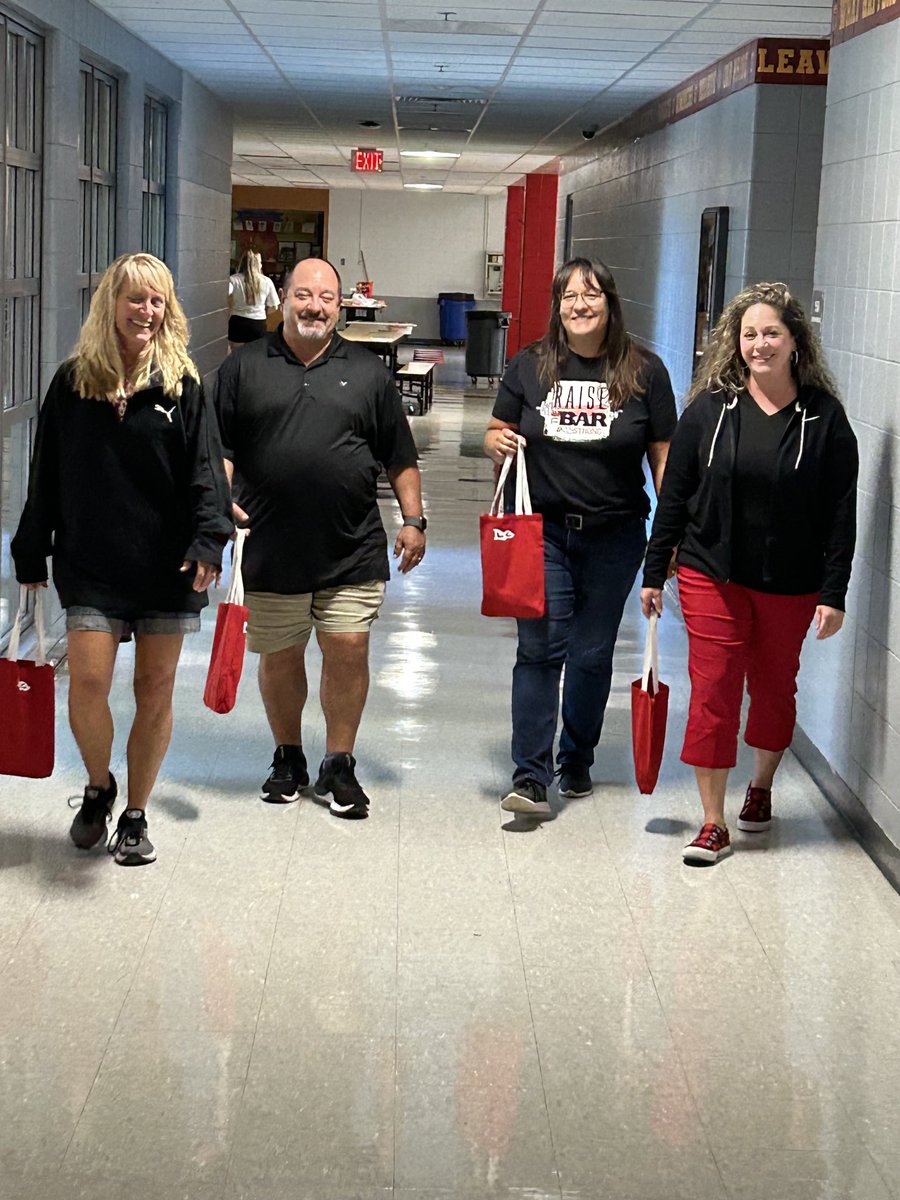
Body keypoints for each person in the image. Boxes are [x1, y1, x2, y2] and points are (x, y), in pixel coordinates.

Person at [11, 252, 233, 865]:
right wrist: (31, 548)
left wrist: (209, 539)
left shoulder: (182, 384)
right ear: (111, 302)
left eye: (158, 300)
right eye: (136, 298)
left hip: (168, 566)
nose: (147, 311)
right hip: (91, 562)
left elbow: (206, 474)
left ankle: (134, 813)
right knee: (86, 681)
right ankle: (98, 785)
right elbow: (45, 475)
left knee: (154, 690)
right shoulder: (73, 381)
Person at [640, 281, 858, 865]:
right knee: (713, 690)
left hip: (792, 582)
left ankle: (759, 787)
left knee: (771, 690)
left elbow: (842, 511)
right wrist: (655, 570)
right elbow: (676, 495)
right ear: (735, 344)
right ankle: (712, 822)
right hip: (713, 573)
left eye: (771, 334)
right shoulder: (710, 412)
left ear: (794, 343)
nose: (759, 344)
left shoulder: (824, 419)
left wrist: (833, 591)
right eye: (749, 335)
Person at [214, 256, 425, 819]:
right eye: (304, 295)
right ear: (284, 299)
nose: (315, 306)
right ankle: (288, 757)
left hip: (351, 544)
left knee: (348, 648)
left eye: (326, 297)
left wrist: (414, 519)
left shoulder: (369, 372)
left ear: (340, 304)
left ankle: (340, 762)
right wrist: (218, 505)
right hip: (269, 543)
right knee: (281, 656)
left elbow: (399, 455)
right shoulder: (244, 368)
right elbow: (223, 449)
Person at [483, 257, 677, 816]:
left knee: (592, 654)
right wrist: (495, 439)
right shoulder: (531, 366)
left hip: (616, 537)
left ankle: (577, 759)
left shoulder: (644, 372)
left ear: (611, 304)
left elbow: (662, 457)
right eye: (569, 296)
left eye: (591, 295)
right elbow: (500, 427)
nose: (580, 305)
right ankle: (530, 776)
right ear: (557, 307)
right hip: (541, 533)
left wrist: (669, 535)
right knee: (540, 650)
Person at [228, 250, 280, 348]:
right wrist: (264, 312)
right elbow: (274, 307)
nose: (261, 265)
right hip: (258, 323)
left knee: (236, 356)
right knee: (255, 356)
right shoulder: (266, 281)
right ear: (256, 264)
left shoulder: (234, 280)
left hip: (238, 323)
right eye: (260, 262)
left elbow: (223, 294)